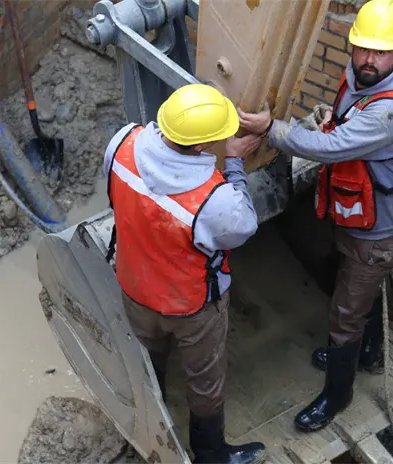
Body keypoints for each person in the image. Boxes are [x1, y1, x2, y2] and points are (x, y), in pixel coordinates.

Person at [237, 0, 393, 432]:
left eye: (379, 52)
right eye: (362, 49)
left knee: (345, 312)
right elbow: (341, 129)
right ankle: (369, 353)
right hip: (358, 217)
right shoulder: (359, 80)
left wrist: (270, 130)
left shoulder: (392, 110)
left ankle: (337, 396)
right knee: (360, 292)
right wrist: (329, 118)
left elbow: (331, 149)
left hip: (378, 232)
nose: (368, 60)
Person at [103, 83, 267, 464]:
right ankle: (210, 454)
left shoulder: (121, 143)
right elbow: (244, 226)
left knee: (148, 359)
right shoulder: (215, 200)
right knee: (204, 381)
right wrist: (235, 164)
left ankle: (150, 421)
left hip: (134, 287)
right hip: (192, 308)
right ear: (199, 147)